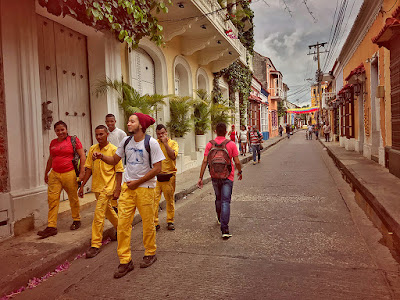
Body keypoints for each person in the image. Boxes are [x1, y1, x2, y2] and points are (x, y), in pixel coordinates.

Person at [94, 113, 165, 279]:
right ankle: (125, 261)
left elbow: (158, 168)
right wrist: (101, 156)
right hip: (128, 188)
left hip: (146, 188)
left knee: (148, 223)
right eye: (128, 121)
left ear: (141, 125)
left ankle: (150, 252)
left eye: (132, 121)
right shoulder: (125, 141)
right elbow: (114, 159)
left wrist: (138, 181)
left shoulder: (151, 143)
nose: (128, 123)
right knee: (123, 225)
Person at [78, 125, 123, 258]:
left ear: (107, 134)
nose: (98, 137)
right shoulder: (93, 149)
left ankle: (96, 244)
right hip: (97, 188)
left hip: (107, 188)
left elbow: (119, 171)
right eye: (96, 134)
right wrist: (82, 186)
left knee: (98, 215)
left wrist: (117, 188)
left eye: (101, 134)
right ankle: (123, 230)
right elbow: (89, 169)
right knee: (108, 211)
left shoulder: (114, 150)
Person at [37, 121, 86, 238]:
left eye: (62, 129)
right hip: (54, 174)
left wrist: (83, 171)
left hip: (69, 173)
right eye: (57, 130)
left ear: (66, 129)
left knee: (73, 198)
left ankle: (76, 219)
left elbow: (82, 156)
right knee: (52, 200)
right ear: (55, 132)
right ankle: (51, 226)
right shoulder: (53, 142)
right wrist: (46, 172)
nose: (60, 132)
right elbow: (51, 158)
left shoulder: (73, 140)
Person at [197, 122, 242, 239]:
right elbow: (237, 161)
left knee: (218, 198)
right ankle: (225, 229)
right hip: (228, 176)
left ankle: (219, 218)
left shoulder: (209, 145)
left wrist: (200, 177)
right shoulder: (231, 144)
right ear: (226, 132)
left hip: (214, 176)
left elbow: (205, 161)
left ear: (215, 131)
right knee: (225, 201)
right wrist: (240, 172)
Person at [154, 124, 179, 231]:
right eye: (158, 134)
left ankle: (170, 221)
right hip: (156, 177)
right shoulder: (154, 143)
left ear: (166, 132)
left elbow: (173, 156)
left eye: (162, 133)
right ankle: (155, 222)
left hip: (169, 176)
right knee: (154, 200)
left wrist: (165, 143)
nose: (161, 135)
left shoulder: (173, 143)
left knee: (169, 200)